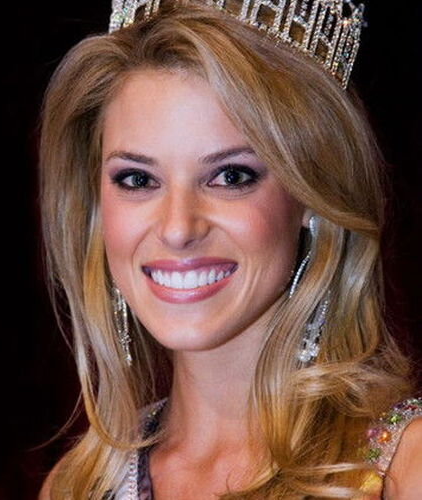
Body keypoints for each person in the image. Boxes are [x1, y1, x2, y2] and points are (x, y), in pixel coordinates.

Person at [38, 1, 422, 498]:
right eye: (137, 179)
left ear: (310, 195)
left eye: (230, 176)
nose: (178, 228)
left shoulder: (404, 469)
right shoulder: (78, 486)